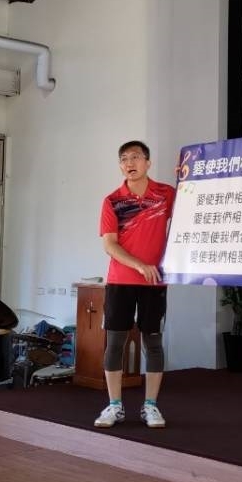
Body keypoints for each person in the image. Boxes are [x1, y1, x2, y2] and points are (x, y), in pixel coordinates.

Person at [94, 140, 176, 429]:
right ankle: (114, 405)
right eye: (124, 159)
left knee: (153, 342)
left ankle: (150, 405)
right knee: (115, 343)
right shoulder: (112, 200)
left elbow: (192, 213)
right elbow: (110, 245)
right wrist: (139, 265)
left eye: (136, 157)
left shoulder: (166, 194)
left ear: (148, 162)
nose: (130, 163)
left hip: (155, 282)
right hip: (121, 281)